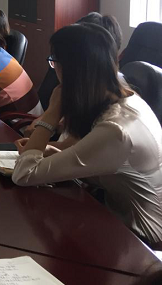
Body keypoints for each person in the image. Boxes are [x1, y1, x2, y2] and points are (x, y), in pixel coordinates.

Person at [12, 23, 162, 249]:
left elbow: (24, 174)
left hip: (140, 241)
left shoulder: (116, 129)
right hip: (114, 214)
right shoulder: (126, 99)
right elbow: (94, 154)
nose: (53, 68)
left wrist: (52, 112)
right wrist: (55, 150)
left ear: (69, 68)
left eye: (54, 61)